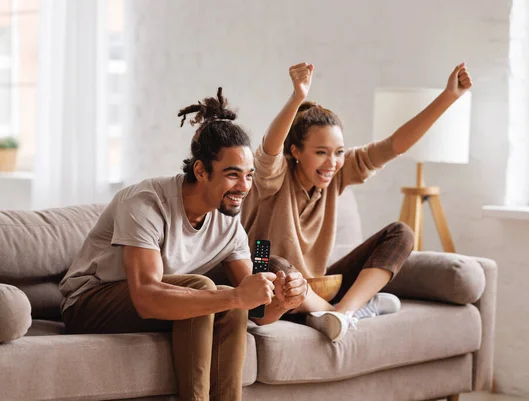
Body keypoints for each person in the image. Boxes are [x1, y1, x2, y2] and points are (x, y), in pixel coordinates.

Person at [59, 88, 308, 401]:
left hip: (161, 301)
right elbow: (146, 297)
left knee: (222, 300)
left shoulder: (228, 221)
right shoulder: (146, 203)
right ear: (201, 171)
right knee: (207, 289)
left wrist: (283, 301)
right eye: (233, 175)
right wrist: (233, 296)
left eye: (249, 175)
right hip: (88, 303)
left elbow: (253, 308)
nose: (244, 187)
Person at [241, 62, 472, 342]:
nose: (332, 162)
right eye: (321, 152)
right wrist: (297, 98)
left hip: (315, 288)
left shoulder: (337, 173)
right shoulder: (273, 176)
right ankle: (336, 314)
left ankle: (342, 314)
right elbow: (269, 150)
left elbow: (394, 145)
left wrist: (449, 96)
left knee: (400, 233)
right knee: (270, 262)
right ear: (295, 152)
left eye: (338, 152)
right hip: (272, 290)